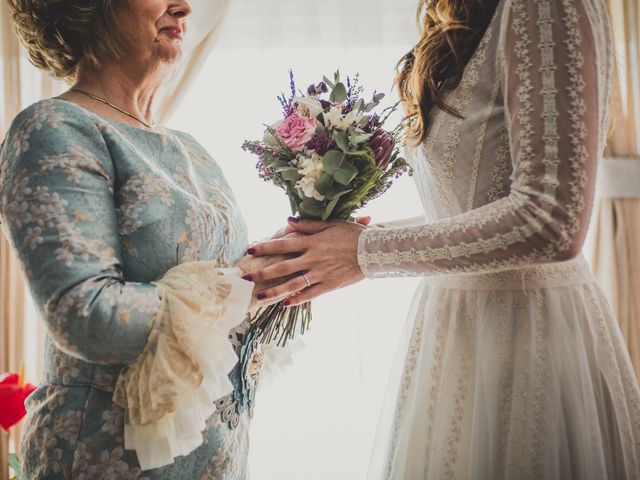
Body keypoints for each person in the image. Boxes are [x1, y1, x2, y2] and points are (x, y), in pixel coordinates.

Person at [246, 0, 640, 477]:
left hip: (529, 336)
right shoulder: (465, 16)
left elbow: (550, 220)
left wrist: (364, 252)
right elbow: (466, 210)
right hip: (453, 333)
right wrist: (327, 246)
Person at [1, 0, 287, 477]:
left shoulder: (191, 148)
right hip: (107, 460)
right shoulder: (53, 128)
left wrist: (294, 257)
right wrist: (241, 287)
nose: (184, 5)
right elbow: (85, 315)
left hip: (216, 459)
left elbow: (227, 284)